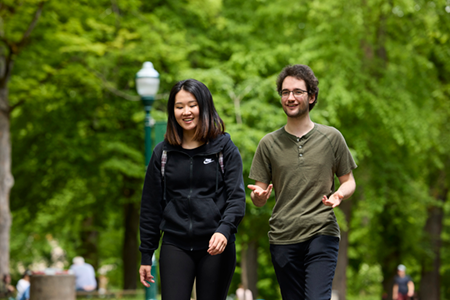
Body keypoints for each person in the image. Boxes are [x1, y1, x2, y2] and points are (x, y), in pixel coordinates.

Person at [248, 64, 357, 300]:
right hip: (283, 236)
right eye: (285, 92)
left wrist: (339, 194)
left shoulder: (332, 137)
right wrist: (257, 197)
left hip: (322, 231)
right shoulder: (268, 144)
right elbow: (258, 193)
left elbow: (349, 181)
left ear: (312, 96)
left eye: (298, 91)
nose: (290, 97)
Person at [139, 79, 246, 300]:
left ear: (204, 106)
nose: (186, 112)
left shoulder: (224, 148)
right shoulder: (163, 153)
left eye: (192, 105)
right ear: (173, 111)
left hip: (215, 245)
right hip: (175, 243)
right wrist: (146, 254)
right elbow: (151, 206)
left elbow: (236, 197)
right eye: (179, 107)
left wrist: (224, 230)